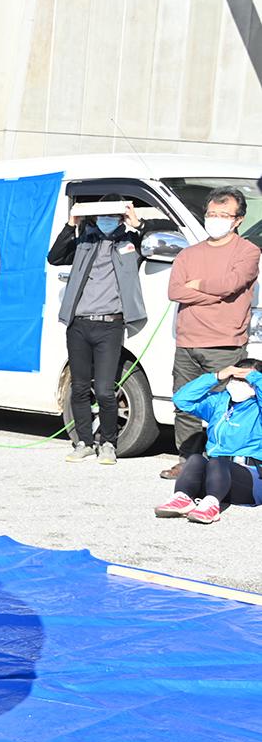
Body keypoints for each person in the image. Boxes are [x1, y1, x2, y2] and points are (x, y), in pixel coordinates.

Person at [162, 185, 260, 478]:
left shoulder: (248, 251)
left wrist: (199, 286)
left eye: (223, 214)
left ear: (238, 219)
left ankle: (223, 464)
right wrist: (214, 291)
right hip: (188, 341)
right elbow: (175, 291)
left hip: (225, 343)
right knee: (185, 403)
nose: (215, 219)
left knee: (228, 405)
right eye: (211, 214)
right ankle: (188, 460)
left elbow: (232, 283)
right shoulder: (189, 254)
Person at [47, 196, 147, 464]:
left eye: (112, 216)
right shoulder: (83, 241)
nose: (106, 221)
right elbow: (54, 257)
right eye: (102, 215)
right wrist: (71, 225)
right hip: (79, 323)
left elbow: (148, 247)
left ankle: (109, 444)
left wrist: (136, 224)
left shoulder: (128, 243)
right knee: (79, 387)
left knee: (104, 389)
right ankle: (84, 442)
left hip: (110, 325)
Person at [155, 361, 262, 523]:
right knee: (196, 459)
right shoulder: (220, 402)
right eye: (235, 377)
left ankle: (211, 505)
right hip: (216, 476)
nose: (239, 383)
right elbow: (182, 399)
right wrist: (217, 376)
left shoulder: (257, 408)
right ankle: (182, 498)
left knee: (218, 463)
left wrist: (253, 377)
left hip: (250, 479)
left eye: (244, 379)